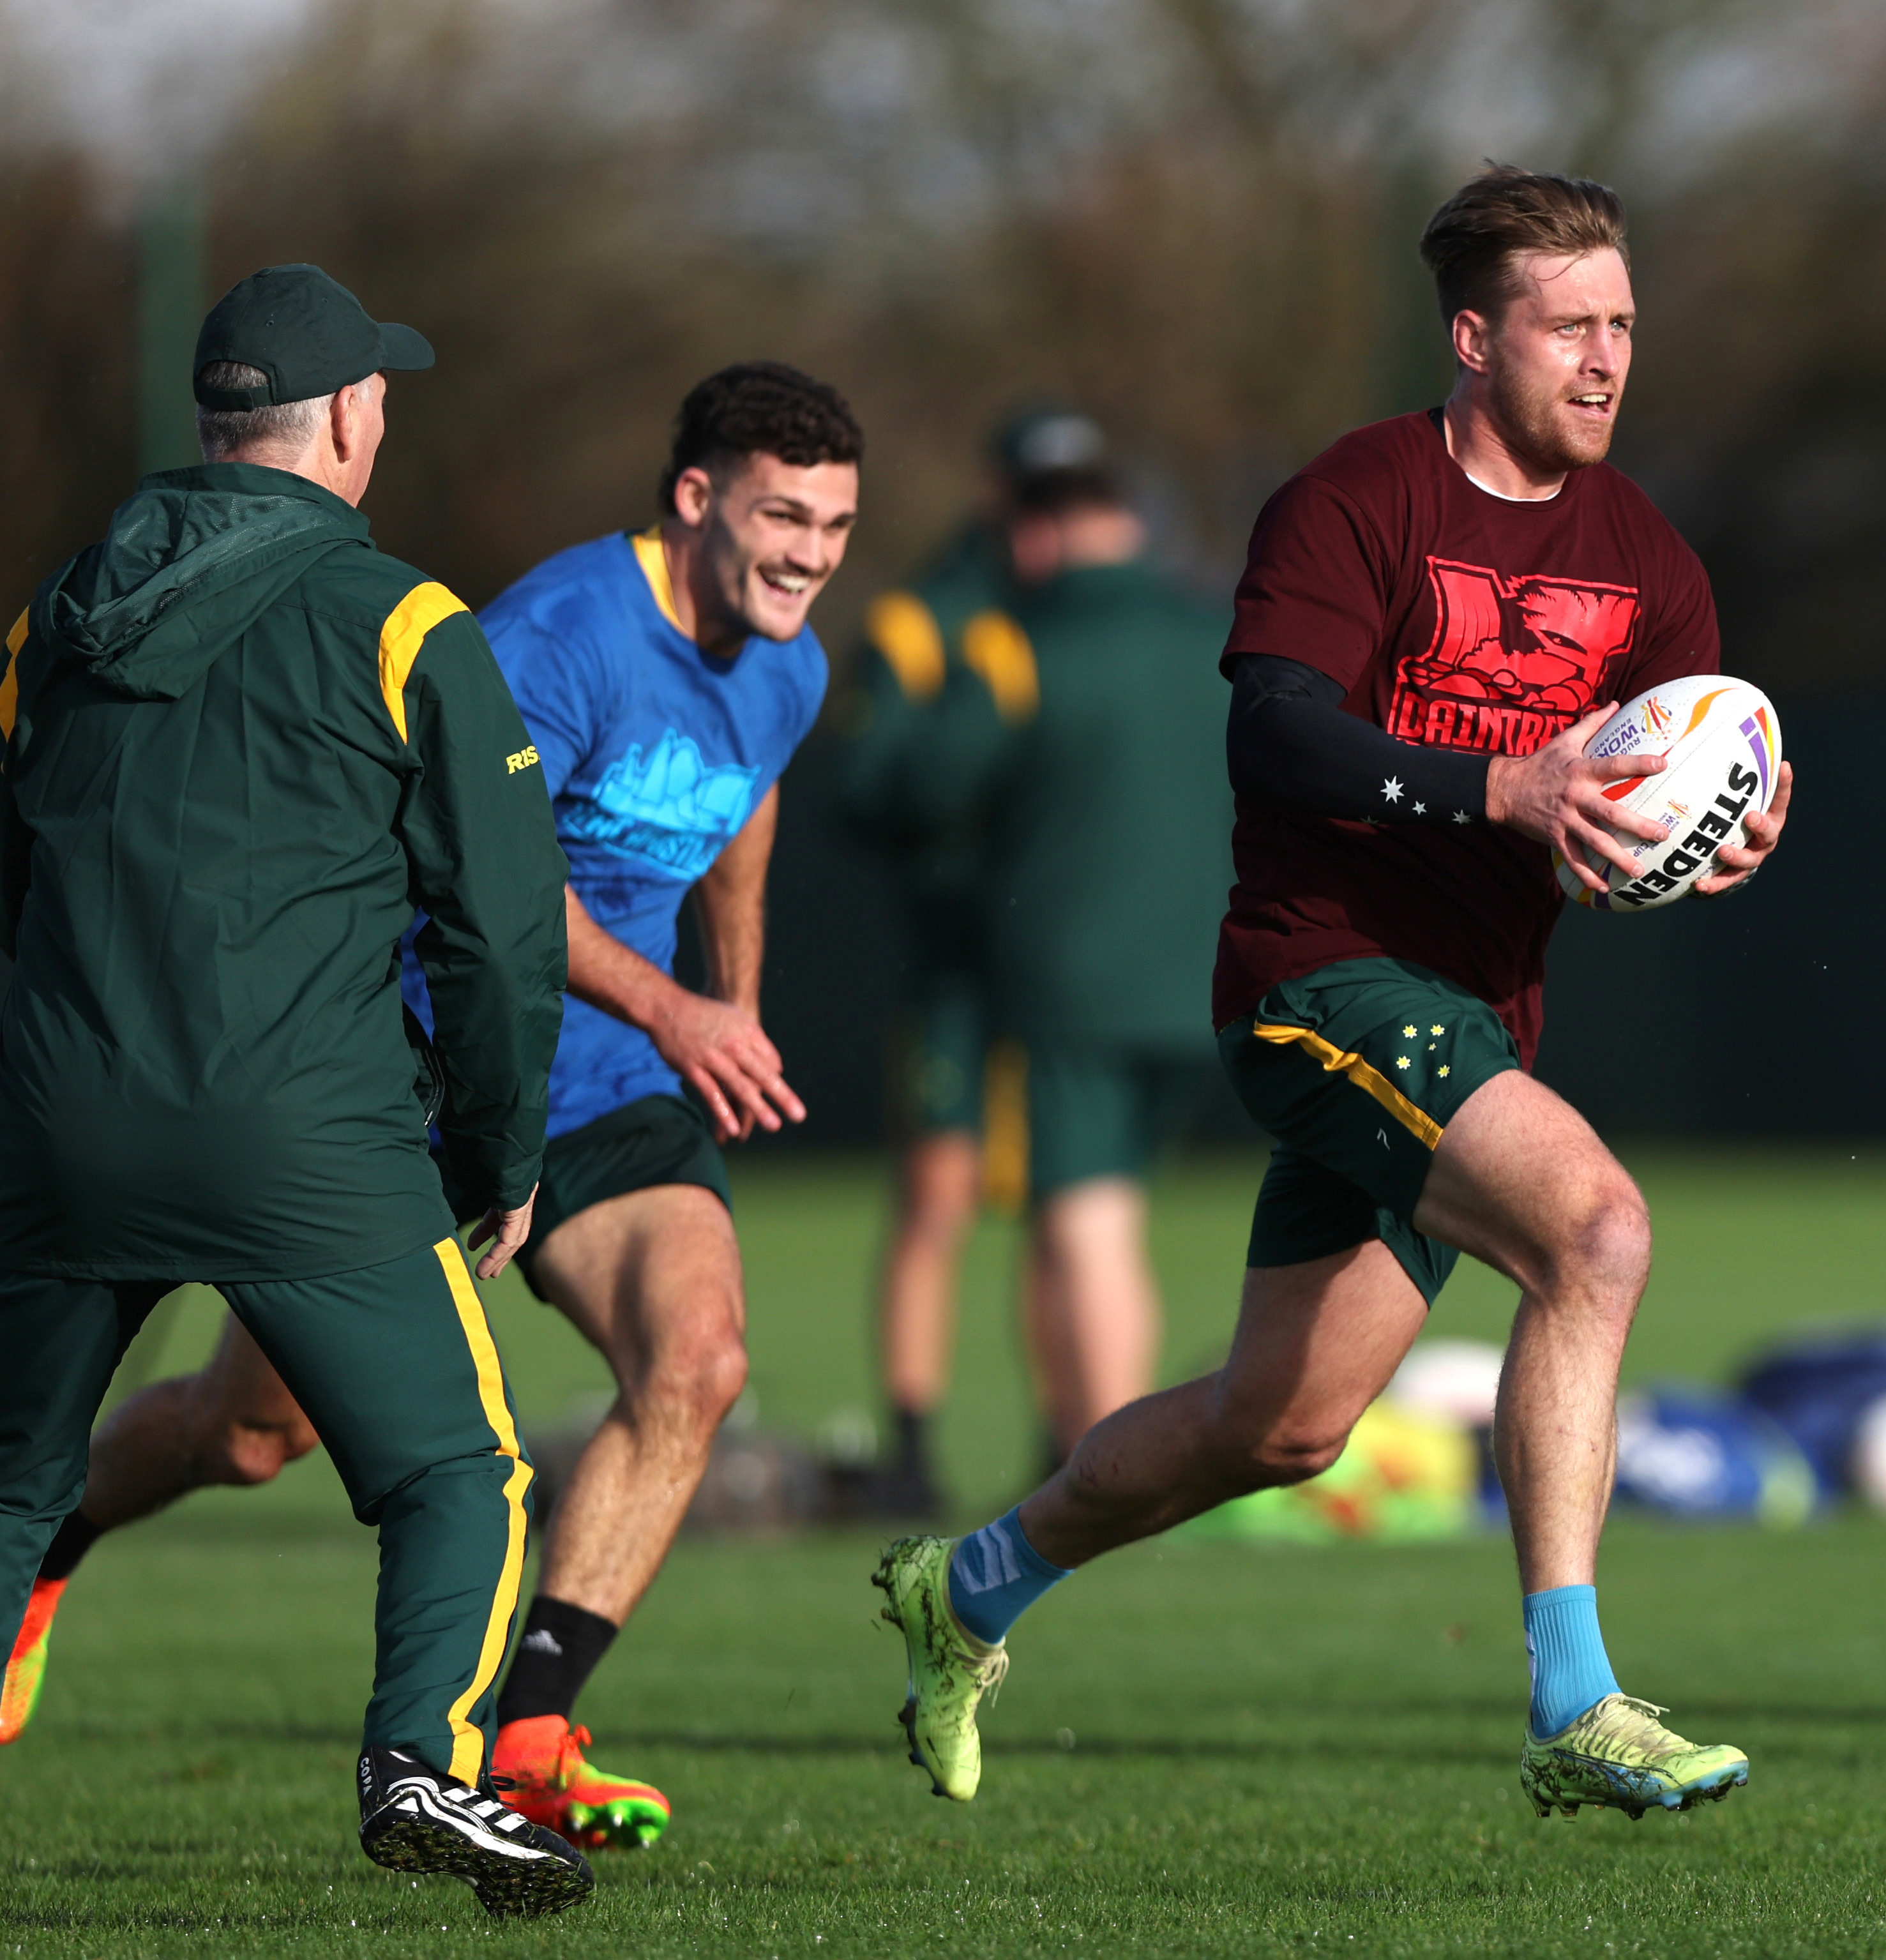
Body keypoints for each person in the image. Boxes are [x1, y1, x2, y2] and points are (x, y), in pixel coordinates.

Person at [869, 163, 1795, 1819]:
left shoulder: (1648, 556)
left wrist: (1721, 827)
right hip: (1317, 983)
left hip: (1473, 1020)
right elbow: (1274, 731)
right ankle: (1573, 1698)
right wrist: (1495, 787)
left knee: (1279, 1425)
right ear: (1470, 335)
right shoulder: (1356, 497)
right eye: (1568, 325)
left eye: (1623, 325)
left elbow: (1657, 780)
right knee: (1596, 1232)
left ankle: (971, 1585)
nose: (1604, 358)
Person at [14, 360, 863, 1853]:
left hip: (607, 1087)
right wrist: (674, 1007)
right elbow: (495, 887)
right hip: (413, 1073)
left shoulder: (790, 661)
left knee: (701, 1356)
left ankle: (531, 1728)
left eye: (839, 526)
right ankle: (62, 1528)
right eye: (784, 514)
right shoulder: (554, 634)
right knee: (246, 1433)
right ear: (695, 496)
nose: (810, 552)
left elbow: (750, 800)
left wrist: (728, 997)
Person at [0, 264, 587, 1914]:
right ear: (343, 418)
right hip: (300, 1131)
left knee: (11, 1475)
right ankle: (418, 1761)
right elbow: (495, 933)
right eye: (379, 392)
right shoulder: (406, 619)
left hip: (56, 1116)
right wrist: (498, 1149)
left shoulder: (54, 609)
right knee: (454, 1471)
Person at [843, 406, 1232, 1504]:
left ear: (1036, 528)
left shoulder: (1020, 644)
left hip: (1070, 988)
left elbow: (909, 786)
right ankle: (1093, 1456)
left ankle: (1113, 1486)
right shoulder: (1223, 635)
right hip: (1203, 982)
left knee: (1087, 1224)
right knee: (1121, 1225)